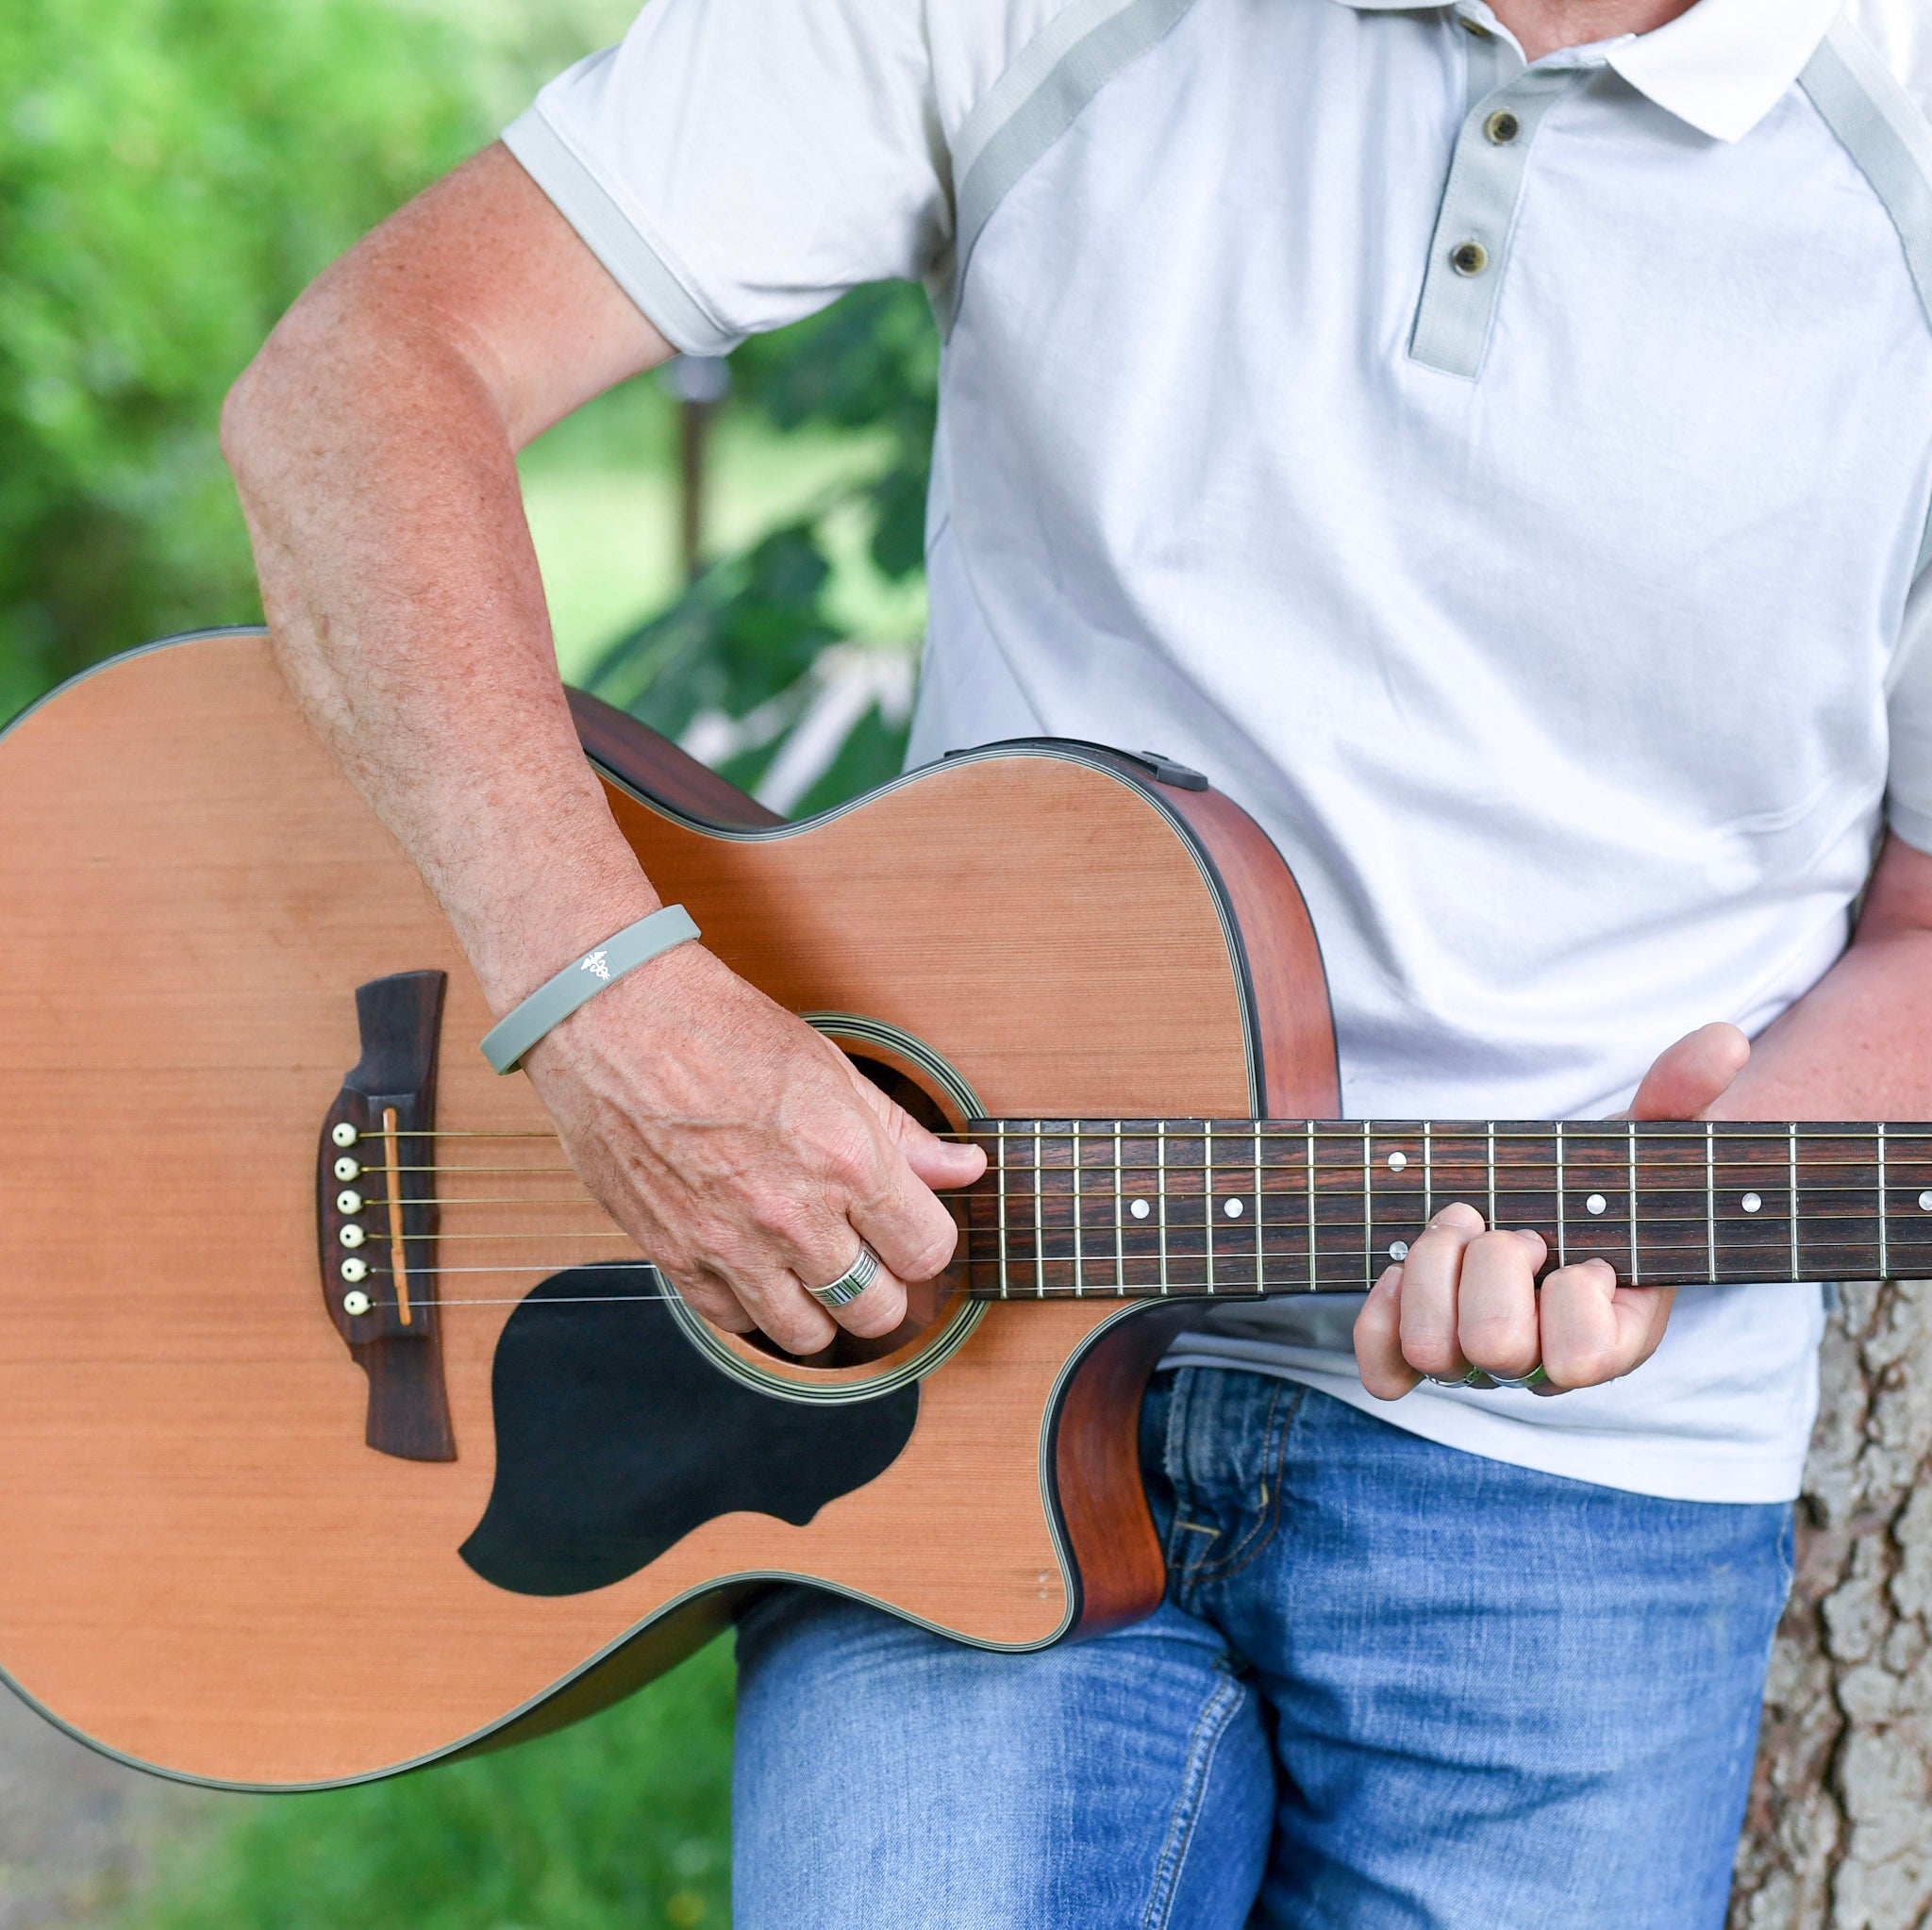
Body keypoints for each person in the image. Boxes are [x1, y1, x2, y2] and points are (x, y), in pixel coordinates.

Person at [220, 0, 1932, 1919]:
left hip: (1574, 1498)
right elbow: (357, 384)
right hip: (927, 1397)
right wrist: (603, 997)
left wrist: (1676, 1217)